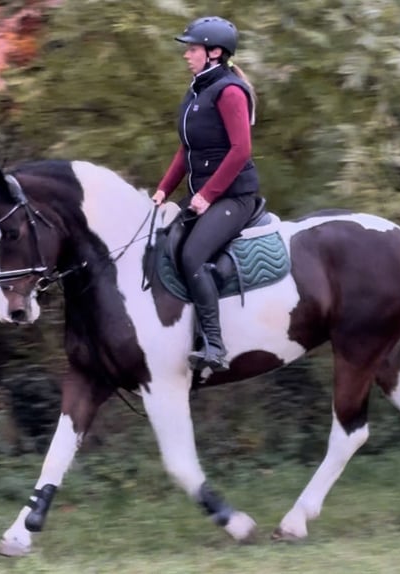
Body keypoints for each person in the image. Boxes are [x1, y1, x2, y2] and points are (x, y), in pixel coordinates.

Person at [152, 16, 261, 372]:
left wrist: (209, 195)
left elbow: (240, 151)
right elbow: (187, 150)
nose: (187, 54)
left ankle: (214, 344)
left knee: (193, 255)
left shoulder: (230, 92)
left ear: (214, 53)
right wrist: (163, 189)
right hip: (205, 195)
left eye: (193, 48)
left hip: (234, 198)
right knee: (164, 242)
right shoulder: (197, 90)